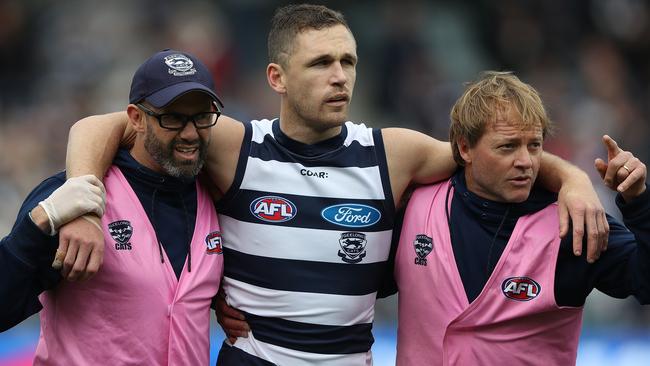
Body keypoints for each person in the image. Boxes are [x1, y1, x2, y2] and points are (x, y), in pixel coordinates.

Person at [64, 5, 609, 365]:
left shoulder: (392, 153)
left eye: (348, 61)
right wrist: (85, 206)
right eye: (321, 62)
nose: (340, 75)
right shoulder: (234, 145)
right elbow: (101, 125)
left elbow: (492, 157)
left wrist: (574, 179)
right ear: (277, 77)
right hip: (256, 358)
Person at [394, 71, 650, 366]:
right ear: (465, 148)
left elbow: (644, 282)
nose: (526, 162)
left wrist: (638, 201)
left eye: (534, 145)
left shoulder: (570, 220)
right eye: (508, 146)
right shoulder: (414, 205)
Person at [0, 49, 225, 365]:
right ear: (136, 118)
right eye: (172, 117)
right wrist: (37, 225)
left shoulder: (216, 194)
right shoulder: (73, 197)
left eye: (202, 117)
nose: (190, 133)